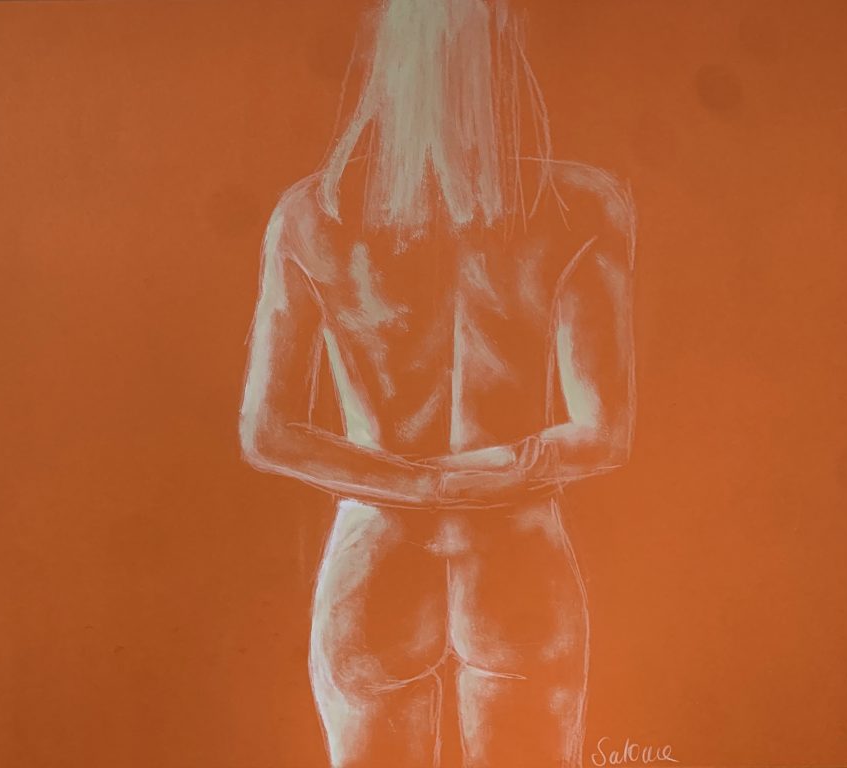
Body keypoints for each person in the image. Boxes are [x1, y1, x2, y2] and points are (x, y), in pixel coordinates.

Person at [240, 1, 636, 765]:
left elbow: (267, 430)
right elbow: (602, 434)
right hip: (518, 562)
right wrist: (463, 484)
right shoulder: (581, 208)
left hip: (374, 564)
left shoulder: (313, 215)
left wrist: (416, 487)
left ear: (389, 63)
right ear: (504, 54)